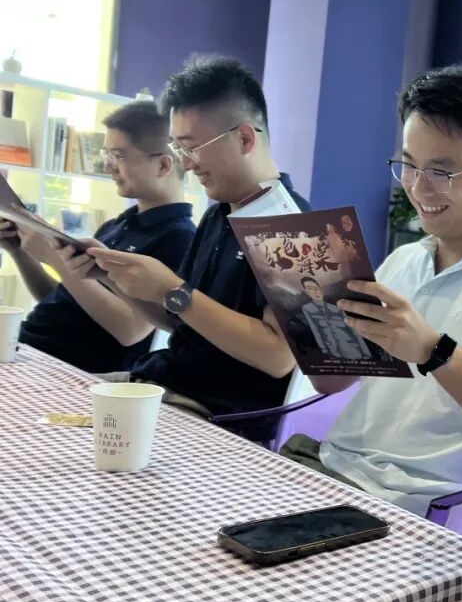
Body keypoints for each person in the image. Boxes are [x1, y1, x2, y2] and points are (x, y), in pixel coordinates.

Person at [278, 66, 462, 514]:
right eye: (409, 165)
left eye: (442, 171)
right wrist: (306, 322)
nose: (418, 188)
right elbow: (331, 382)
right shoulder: (405, 260)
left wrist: (433, 351)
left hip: (407, 504)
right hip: (329, 467)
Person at [87, 55, 311, 416]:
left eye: (191, 147)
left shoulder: (292, 227)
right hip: (159, 384)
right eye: (179, 148)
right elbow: (179, 318)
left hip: (209, 412)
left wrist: (172, 290)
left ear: (244, 138)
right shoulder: (218, 214)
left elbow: (278, 357)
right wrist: (113, 277)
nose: (187, 164)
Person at [0, 101, 194, 373]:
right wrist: (19, 251)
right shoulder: (117, 225)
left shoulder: (179, 238)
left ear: (163, 165)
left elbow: (130, 331)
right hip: (29, 348)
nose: (108, 167)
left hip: (66, 369)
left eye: (118, 156)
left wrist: (56, 259)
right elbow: (63, 302)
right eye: (107, 154)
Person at [298, 276, 371, 360]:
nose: (315, 291)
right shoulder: (307, 309)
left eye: (316, 288)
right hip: (333, 351)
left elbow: (352, 330)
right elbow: (315, 330)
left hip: (352, 348)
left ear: (321, 289)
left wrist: (365, 352)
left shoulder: (336, 308)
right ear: (306, 292)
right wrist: (324, 350)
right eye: (310, 288)